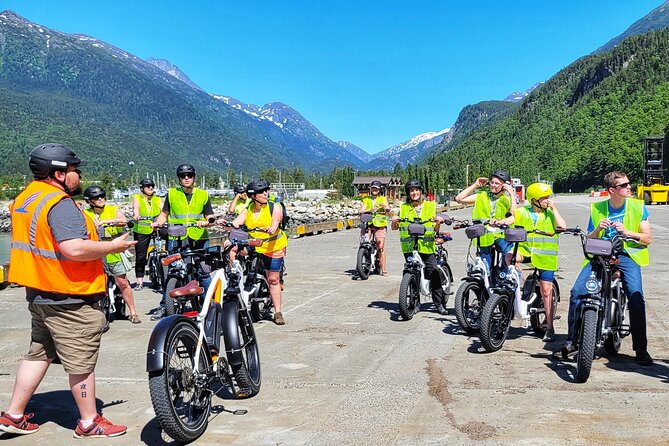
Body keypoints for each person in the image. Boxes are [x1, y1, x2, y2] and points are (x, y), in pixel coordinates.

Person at [0, 143, 135, 438]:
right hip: (69, 295)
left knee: (39, 353)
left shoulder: (28, 197)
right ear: (59, 174)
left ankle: (13, 414)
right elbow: (72, 248)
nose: (79, 176)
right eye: (75, 170)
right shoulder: (59, 203)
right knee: (81, 359)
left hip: (39, 292)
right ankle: (89, 422)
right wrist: (114, 246)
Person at [562, 171, 653, 365]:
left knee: (636, 298)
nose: (629, 187)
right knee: (577, 292)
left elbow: (647, 238)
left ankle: (641, 349)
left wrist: (627, 232)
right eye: (624, 185)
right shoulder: (598, 208)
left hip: (628, 255)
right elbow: (590, 238)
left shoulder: (638, 206)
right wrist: (598, 229)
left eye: (629, 183)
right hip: (601, 254)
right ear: (612, 190)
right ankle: (572, 341)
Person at [150, 164, 214, 319]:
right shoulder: (172, 193)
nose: (186, 178)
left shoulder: (203, 194)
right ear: (179, 178)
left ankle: (210, 305)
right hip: (176, 236)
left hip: (199, 237)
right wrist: (157, 222)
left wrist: (208, 222)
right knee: (173, 271)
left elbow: (209, 216)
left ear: (194, 177)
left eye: (189, 175)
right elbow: (164, 214)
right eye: (183, 176)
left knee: (203, 272)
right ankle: (165, 305)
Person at [508, 183, 566, 342]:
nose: (548, 200)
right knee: (508, 256)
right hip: (527, 252)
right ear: (534, 200)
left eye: (549, 197)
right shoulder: (523, 212)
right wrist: (499, 222)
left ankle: (549, 326)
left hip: (545, 257)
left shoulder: (550, 214)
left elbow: (562, 226)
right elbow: (511, 218)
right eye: (544, 198)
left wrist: (554, 209)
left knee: (546, 291)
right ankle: (516, 283)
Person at [230, 179, 288, 325]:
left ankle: (278, 312)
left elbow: (276, 220)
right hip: (254, 244)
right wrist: (227, 224)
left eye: (266, 190)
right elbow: (236, 222)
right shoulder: (248, 209)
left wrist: (273, 227)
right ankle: (233, 275)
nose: (265, 193)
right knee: (231, 247)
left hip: (273, 246)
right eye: (261, 191)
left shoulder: (274, 207)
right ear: (253, 195)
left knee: (273, 279)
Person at [82, 186, 141, 324]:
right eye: (96, 198)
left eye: (102, 196)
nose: (100, 199)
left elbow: (122, 220)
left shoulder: (112, 209)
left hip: (113, 251)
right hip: (95, 251)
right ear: (90, 201)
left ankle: (133, 312)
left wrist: (104, 222)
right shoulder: (84, 214)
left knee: (122, 282)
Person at [391, 179, 447, 314]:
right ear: (408, 193)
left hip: (426, 245)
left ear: (420, 192)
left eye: (416, 190)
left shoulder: (430, 205)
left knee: (432, 271)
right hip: (409, 246)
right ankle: (415, 303)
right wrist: (394, 220)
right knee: (411, 273)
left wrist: (439, 222)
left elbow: (435, 228)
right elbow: (394, 227)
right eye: (411, 191)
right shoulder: (404, 207)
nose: (414, 193)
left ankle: (439, 304)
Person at [455, 170, 517, 270]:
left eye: (497, 183)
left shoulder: (507, 199)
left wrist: (511, 194)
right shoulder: (482, 196)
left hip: (500, 236)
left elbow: (514, 215)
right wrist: (475, 185)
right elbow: (459, 199)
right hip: (484, 236)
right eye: (492, 182)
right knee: (485, 268)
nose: (493, 185)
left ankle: (507, 277)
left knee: (509, 257)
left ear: (504, 185)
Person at [132, 178, 162, 290]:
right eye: (147, 186)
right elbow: (136, 208)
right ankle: (139, 281)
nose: (150, 188)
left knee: (169, 241)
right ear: (142, 188)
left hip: (156, 227)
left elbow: (163, 209)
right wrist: (136, 215)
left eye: (152, 186)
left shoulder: (157, 199)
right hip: (142, 229)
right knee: (140, 256)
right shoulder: (137, 198)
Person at [359, 180, 391, 276]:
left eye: (376, 189)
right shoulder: (366, 199)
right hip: (368, 223)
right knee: (364, 241)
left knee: (380, 247)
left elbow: (387, 208)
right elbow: (362, 210)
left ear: (379, 190)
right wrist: (370, 210)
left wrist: (385, 208)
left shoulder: (383, 199)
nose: (374, 190)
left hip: (380, 223)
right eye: (373, 188)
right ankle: (361, 261)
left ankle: (383, 269)